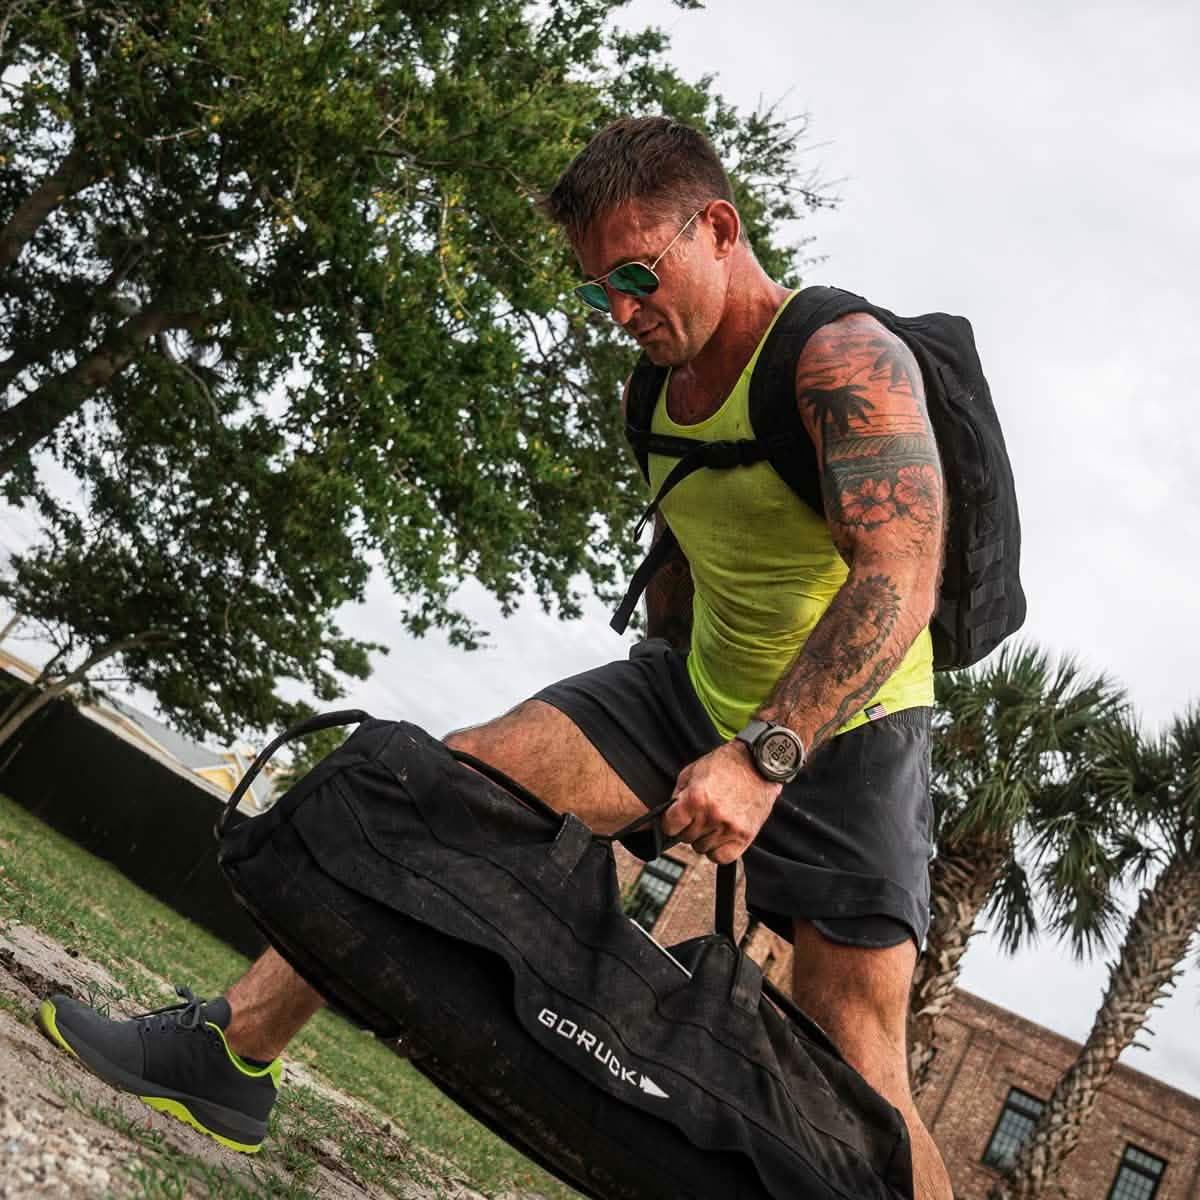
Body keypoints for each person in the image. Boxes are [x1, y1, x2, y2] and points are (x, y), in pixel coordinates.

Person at [38, 116, 954, 1198]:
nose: (618, 312)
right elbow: (699, 544)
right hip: (692, 688)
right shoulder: (650, 393)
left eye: (635, 274)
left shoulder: (844, 359)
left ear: (718, 228)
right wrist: (660, 700)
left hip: (849, 728)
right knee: (443, 792)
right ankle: (229, 1055)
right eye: (594, 289)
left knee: (859, 1068)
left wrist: (761, 758)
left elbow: (901, 567)